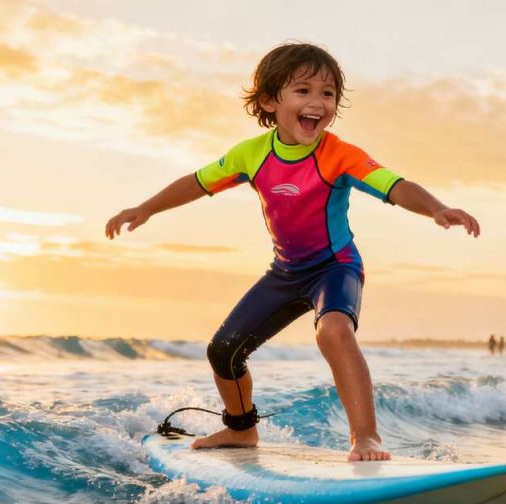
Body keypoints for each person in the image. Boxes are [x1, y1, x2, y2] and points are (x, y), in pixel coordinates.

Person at [105, 43, 480, 462]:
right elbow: (196, 182)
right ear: (270, 100)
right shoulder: (251, 154)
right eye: (303, 91)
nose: (317, 103)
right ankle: (241, 430)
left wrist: (436, 209)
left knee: (334, 332)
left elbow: (394, 184)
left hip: (335, 267)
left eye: (328, 93)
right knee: (224, 350)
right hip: (285, 273)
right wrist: (146, 209)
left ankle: (366, 437)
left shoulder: (340, 154)